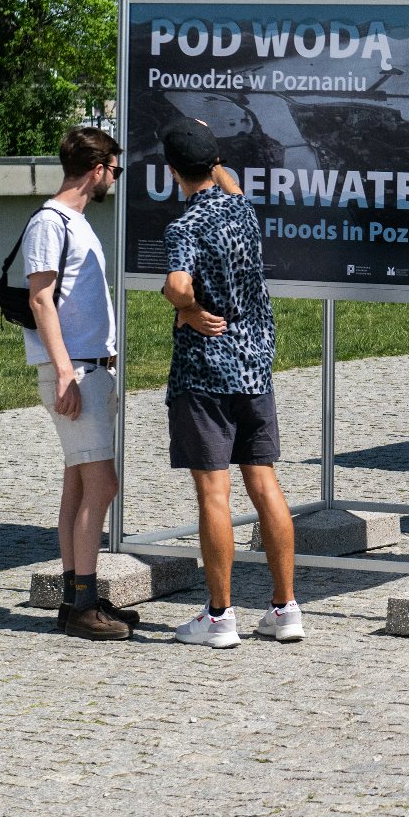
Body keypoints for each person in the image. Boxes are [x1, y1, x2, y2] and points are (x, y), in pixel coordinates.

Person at [158, 118, 303, 648]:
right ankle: (285, 607)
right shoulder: (241, 207)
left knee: (213, 493)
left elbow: (176, 284)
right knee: (264, 482)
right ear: (213, 165)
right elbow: (231, 181)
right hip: (254, 365)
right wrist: (210, 145)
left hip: (206, 373)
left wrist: (189, 309)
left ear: (171, 171)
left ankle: (220, 617)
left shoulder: (185, 226)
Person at [22, 125, 135, 641]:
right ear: (98, 169)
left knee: (79, 481)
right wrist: (65, 369)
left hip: (90, 366)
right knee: (103, 483)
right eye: (114, 168)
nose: (115, 176)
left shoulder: (76, 221)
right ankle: (85, 603)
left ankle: (76, 597)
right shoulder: (49, 222)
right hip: (76, 370)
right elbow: (40, 300)